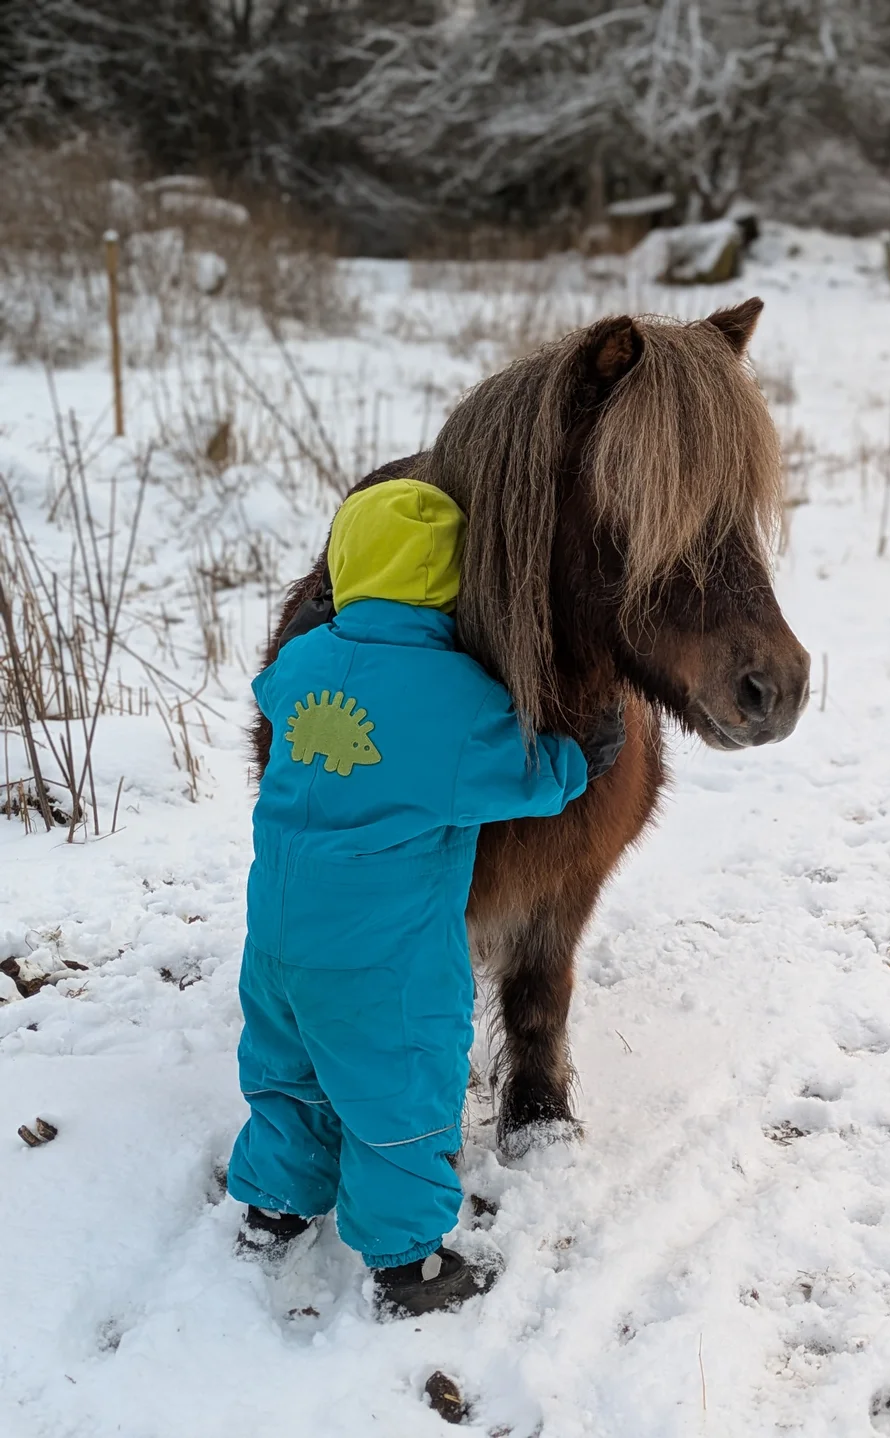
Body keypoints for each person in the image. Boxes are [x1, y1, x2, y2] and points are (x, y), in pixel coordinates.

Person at [227, 478, 622, 1317]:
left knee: (286, 1073)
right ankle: (408, 1266)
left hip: (277, 938)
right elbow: (525, 776)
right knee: (401, 1092)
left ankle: (272, 1208)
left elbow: (269, 698)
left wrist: (314, 642)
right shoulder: (451, 696)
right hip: (384, 957)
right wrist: (585, 755)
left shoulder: (301, 665)